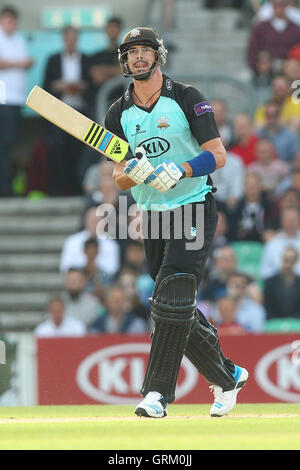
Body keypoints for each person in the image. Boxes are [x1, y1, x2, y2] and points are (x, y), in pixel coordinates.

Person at [104, 27, 248, 419]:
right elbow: (118, 176)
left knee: (170, 298)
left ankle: (156, 394)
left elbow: (217, 155)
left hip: (192, 205)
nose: (138, 57)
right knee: (173, 304)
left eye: (144, 51)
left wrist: (179, 169)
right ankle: (228, 374)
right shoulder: (117, 113)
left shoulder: (186, 97)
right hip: (152, 216)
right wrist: (137, 172)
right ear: (124, 61)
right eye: (131, 52)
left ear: (158, 55)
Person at [43, 25, 92, 196]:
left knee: (78, 152)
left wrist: (81, 86)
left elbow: (91, 83)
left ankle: (76, 190)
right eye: (68, 38)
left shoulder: (85, 59)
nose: (71, 42)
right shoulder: (53, 59)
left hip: (80, 110)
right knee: (58, 151)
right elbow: (46, 85)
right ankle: (57, 191)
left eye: (74, 38)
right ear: (63, 39)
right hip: (60, 111)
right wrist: (59, 86)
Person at [0, 6, 34, 196]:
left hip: (15, 100)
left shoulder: (19, 39)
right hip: (2, 100)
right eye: (8, 20)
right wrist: (21, 63)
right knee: (3, 147)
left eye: (14, 21)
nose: (12, 24)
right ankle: (4, 190)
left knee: (8, 146)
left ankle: (6, 188)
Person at [60, 206, 120, 279]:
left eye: (98, 220)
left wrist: (94, 267)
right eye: (92, 220)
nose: (95, 224)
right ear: (85, 221)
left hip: (102, 282)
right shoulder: (72, 241)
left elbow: (112, 270)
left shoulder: (111, 244)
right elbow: (65, 266)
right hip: (78, 281)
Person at [247, 0, 300, 74]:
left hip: (288, 67)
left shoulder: (295, 29)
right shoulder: (261, 28)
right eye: (276, 5)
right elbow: (252, 49)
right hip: (266, 66)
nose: (279, 8)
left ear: (286, 6)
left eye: (282, 5)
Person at [260, 206, 300, 278]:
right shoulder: (272, 243)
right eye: (288, 220)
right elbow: (264, 272)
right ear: (282, 221)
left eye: (293, 220)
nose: (291, 223)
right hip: (277, 284)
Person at [264, 246, 300, 319]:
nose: (287, 262)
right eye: (285, 259)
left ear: (296, 261)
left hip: (297, 322)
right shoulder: (270, 282)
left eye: (291, 259)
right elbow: (268, 306)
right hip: (274, 322)